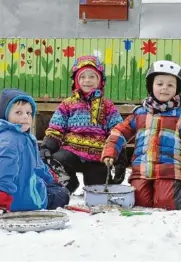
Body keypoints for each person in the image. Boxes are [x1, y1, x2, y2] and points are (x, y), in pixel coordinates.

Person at [101, 60, 181, 210]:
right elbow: (120, 132)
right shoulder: (139, 113)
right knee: (139, 201)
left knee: (167, 203)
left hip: (169, 172)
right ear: (151, 86)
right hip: (142, 170)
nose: (164, 88)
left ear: (177, 89)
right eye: (159, 84)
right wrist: (110, 151)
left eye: (170, 85)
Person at [0, 88, 70, 215]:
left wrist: (50, 179)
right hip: (22, 200)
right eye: (18, 112)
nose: (25, 116)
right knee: (63, 195)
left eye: (29, 113)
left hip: (17, 193)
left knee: (56, 188)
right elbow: (0, 170)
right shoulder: (10, 141)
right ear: (6, 116)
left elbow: (37, 167)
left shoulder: (18, 137)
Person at [40, 55, 125, 194]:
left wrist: (120, 158)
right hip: (71, 151)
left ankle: (96, 183)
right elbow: (56, 128)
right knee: (56, 160)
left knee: (97, 191)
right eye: (82, 77)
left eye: (92, 76)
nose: (87, 81)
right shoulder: (68, 104)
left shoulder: (107, 106)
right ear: (76, 81)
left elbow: (118, 131)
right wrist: (46, 146)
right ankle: (69, 183)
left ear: (100, 80)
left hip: (98, 156)